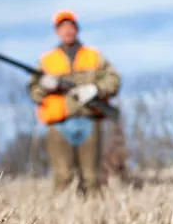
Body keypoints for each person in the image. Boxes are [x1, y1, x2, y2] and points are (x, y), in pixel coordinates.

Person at [28, 10, 121, 195]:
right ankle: (61, 219)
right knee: (62, 178)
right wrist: (44, 86)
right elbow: (33, 92)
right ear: (56, 31)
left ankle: (94, 216)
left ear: (76, 29)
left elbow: (114, 81)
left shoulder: (94, 56)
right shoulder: (46, 60)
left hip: (89, 119)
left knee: (92, 178)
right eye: (62, 27)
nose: (67, 30)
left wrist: (95, 89)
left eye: (70, 26)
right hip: (59, 124)